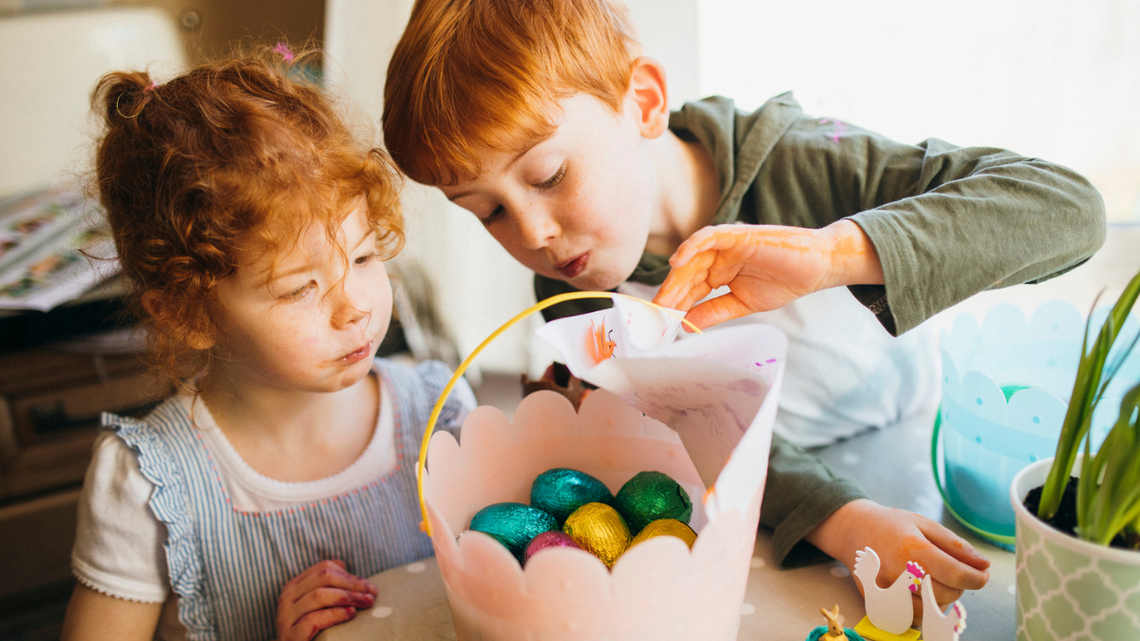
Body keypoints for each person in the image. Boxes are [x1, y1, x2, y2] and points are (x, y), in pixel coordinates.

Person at [380, 0, 1106, 621]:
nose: (532, 234)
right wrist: (844, 518)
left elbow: (1069, 211)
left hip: (924, 457)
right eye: (489, 211)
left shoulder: (806, 160)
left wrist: (833, 254)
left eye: (548, 174)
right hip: (788, 510)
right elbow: (706, 429)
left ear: (643, 102)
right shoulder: (574, 289)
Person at [61, 48, 475, 641]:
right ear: (188, 313)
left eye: (363, 257)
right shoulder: (148, 485)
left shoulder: (438, 417)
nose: (353, 306)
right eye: (298, 289)